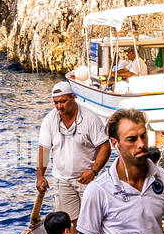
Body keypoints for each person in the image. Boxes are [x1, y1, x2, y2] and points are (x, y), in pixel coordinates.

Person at [36, 81, 110, 225]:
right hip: (62, 180)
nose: (59, 106)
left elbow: (105, 147)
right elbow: (44, 149)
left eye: (63, 101)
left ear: (73, 97)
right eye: (56, 103)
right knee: (69, 223)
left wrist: (93, 171)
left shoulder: (90, 118)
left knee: (94, 221)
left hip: (89, 180)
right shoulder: (49, 119)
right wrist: (40, 176)